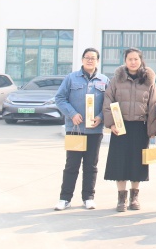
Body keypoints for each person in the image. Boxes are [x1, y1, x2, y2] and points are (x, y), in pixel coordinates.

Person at [102, 48, 156, 212]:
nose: (133, 62)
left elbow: (153, 104)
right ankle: (121, 198)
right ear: (125, 61)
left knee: (138, 163)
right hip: (120, 127)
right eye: (130, 59)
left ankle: (134, 197)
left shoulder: (148, 80)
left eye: (136, 59)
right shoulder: (116, 80)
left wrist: (152, 128)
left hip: (140, 127)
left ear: (141, 61)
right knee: (119, 162)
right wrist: (111, 124)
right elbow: (108, 101)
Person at [54, 48, 109, 211]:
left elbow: (109, 103)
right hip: (75, 129)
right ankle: (65, 198)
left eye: (93, 58)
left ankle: (88, 197)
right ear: (82, 60)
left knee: (91, 166)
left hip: (94, 131)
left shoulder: (104, 80)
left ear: (98, 61)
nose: (90, 60)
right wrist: (72, 114)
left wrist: (100, 117)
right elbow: (60, 98)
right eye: (87, 57)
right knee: (72, 165)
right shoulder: (71, 78)